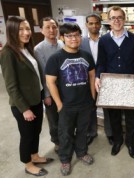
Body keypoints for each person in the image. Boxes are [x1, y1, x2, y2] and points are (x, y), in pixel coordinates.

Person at [0, 16, 53, 177]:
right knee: (27, 135)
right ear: (12, 31)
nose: (26, 32)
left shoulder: (28, 49)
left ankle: (34, 155)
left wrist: (43, 95)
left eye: (27, 28)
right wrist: (24, 109)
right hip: (23, 105)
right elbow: (11, 86)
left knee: (36, 131)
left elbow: (36, 76)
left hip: (35, 99)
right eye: (21, 29)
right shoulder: (7, 53)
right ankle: (28, 164)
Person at [45, 23, 96, 176]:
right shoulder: (56, 58)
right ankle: (65, 159)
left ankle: (81, 153)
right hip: (67, 105)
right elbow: (50, 82)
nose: (74, 38)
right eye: (69, 36)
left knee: (82, 131)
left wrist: (92, 97)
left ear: (80, 36)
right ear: (62, 38)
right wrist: (59, 104)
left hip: (85, 103)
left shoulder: (86, 55)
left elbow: (92, 76)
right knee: (65, 133)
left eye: (76, 35)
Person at [95, 6, 134, 159]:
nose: (116, 20)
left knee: (131, 117)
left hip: (129, 83)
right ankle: (117, 141)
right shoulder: (103, 40)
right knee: (114, 116)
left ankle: (130, 143)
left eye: (119, 17)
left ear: (125, 20)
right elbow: (101, 62)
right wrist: (97, 77)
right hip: (111, 84)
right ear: (108, 21)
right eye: (113, 18)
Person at [80, 13, 114, 145]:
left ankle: (110, 133)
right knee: (90, 107)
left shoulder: (107, 40)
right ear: (86, 25)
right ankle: (91, 132)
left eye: (96, 23)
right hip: (87, 81)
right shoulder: (81, 42)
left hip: (105, 79)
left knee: (107, 108)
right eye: (91, 23)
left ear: (101, 24)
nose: (94, 26)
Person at [34, 17, 64, 153]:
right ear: (41, 30)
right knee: (54, 119)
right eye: (47, 27)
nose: (51, 30)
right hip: (50, 91)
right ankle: (57, 141)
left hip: (65, 89)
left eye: (54, 26)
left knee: (66, 116)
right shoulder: (38, 49)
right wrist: (46, 95)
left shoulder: (62, 44)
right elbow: (42, 73)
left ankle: (67, 138)